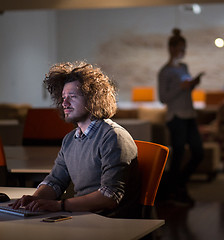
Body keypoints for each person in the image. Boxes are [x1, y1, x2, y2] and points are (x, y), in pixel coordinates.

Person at [11, 61, 141, 218]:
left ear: (93, 99)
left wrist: (59, 205)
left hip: (109, 223)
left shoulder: (113, 136)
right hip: (83, 217)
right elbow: (55, 181)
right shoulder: (70, 139)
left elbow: (109, 196)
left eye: (72, 97)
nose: (64, 103)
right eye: (63, 97)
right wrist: (36, 198)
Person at [158, 28, 204, 205]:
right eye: (181, 48)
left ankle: (177, 185)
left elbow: (186, 90)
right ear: (171, 48)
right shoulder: (165, 72)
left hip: (189, 114)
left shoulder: (184, 67)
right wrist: (182, 87)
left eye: (185, 48)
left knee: (198, 153)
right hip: (176, 117)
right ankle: (175, 190)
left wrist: (193, 85)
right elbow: (163, 98)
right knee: (179, 154)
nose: (183, 52)